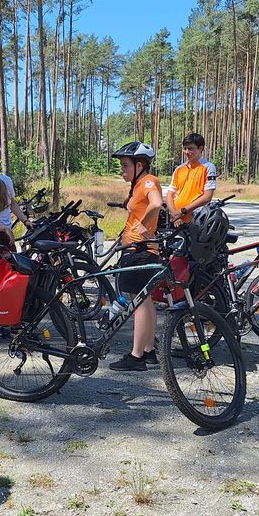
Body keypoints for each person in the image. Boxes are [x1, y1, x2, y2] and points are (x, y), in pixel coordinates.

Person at [108, 141, 163, 372]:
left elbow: (157, 203)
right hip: (142, 250)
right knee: (146, 301)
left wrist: (141, 225)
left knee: (138, 302)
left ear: (140, 164)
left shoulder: (148, 181)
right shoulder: (139, 184)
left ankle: (136, 355)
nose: (122, 171)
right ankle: (148, 350)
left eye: (125, 166)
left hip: (139, 251)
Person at [165, 133, 217, 226]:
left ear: (200, 148)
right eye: (185, 148)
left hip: (196, 220)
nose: (186, 152)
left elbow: (207, 197)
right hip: (175, 220)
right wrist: (174, 214)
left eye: (190, 148)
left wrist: (183, 211)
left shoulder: (208, 167)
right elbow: (170, 194)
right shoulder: (179, 169)